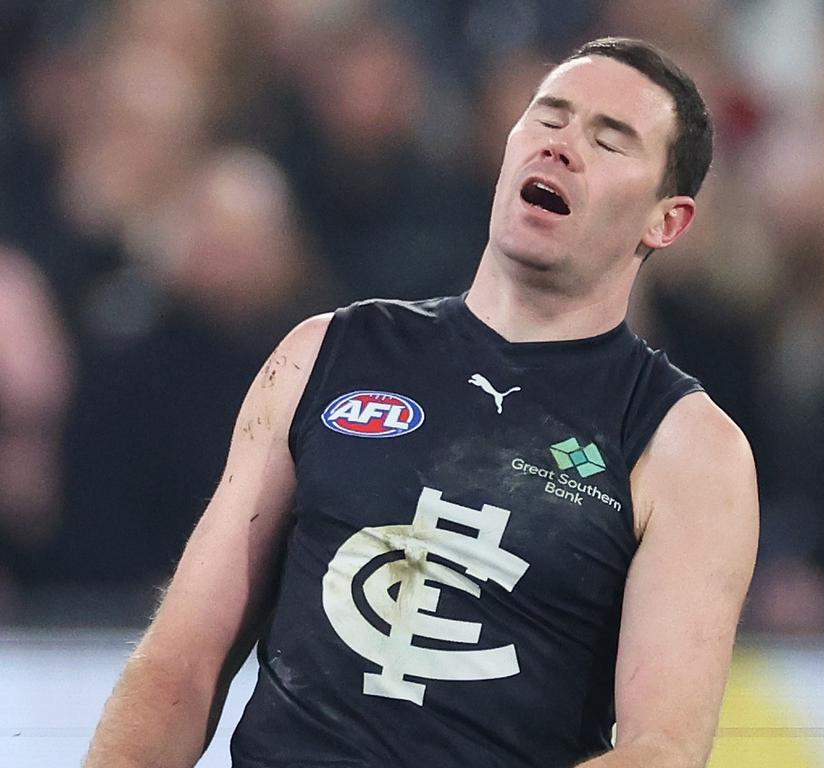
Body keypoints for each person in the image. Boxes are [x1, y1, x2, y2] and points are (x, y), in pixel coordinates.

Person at [85, 37, 759, 768]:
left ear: (668, 220)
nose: (562, 147)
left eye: (609, 140)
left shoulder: (687, 446)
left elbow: (662, 751)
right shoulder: (324, 353)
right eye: (550, 118)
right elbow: (179, 664)